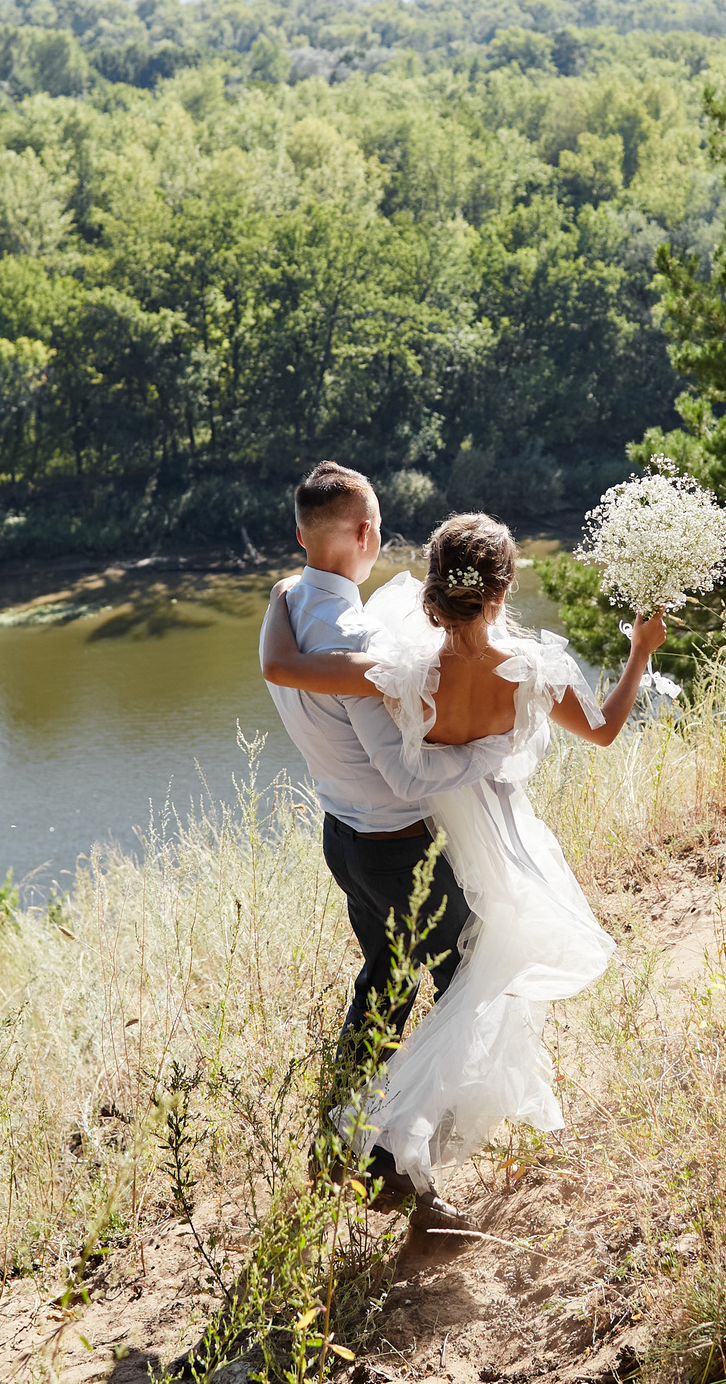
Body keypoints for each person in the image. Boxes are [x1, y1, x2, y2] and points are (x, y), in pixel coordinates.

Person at [262, 509, 667, 1203]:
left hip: (421, 841)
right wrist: (640, 652)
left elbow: (283, 666)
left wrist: (280, 597)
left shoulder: (400, 671)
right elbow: (603, 729)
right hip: (493, 845)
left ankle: (362, 1138)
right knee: (474, 993)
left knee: (424, 980)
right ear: (503, 590)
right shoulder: (532, 671)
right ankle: (389, 1140)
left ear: (432, 588)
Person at [257, 462, 526, 1227]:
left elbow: (280, 654)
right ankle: (399, 1164)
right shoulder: (362, 643)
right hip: (400, 848)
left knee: (383, 983)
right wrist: (488, 753)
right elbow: (407, 774)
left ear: (301, 534)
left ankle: (335, 1141)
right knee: (469, 982)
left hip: (342, 837)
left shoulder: (289, 604)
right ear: (368, 532)